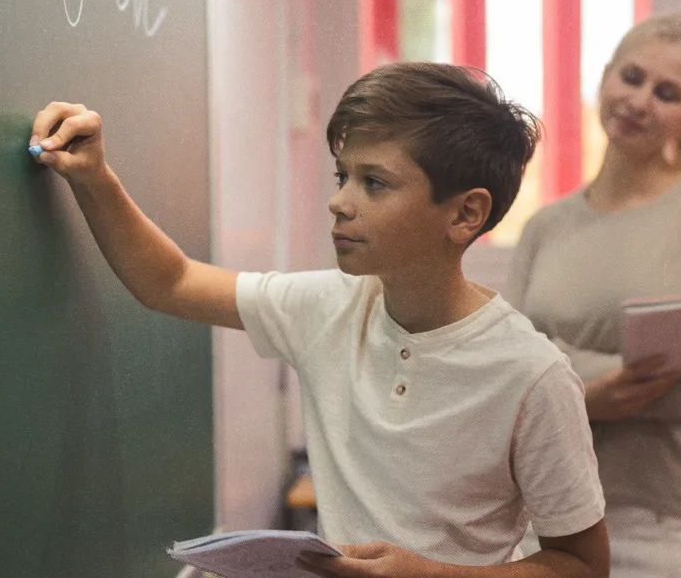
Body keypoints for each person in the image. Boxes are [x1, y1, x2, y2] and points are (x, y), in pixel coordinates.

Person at [30, 62, 609, 577]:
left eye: (374, 182)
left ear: (465, 213)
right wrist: (95, 177)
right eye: (342, 176)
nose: (340, 200)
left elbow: (581, 564)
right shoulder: (329, 307)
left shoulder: (532, 375)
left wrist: (428, 575)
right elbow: (171, 281)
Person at [504, 13, 681, 578]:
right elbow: (506, 369)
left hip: (652, 519)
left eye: (667, 93)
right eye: (632, 77)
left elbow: (678, 387)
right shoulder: (544, 225)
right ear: (604, 80)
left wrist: (556, 376)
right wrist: (595, 391)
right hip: (537, 510)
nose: (640, 101)